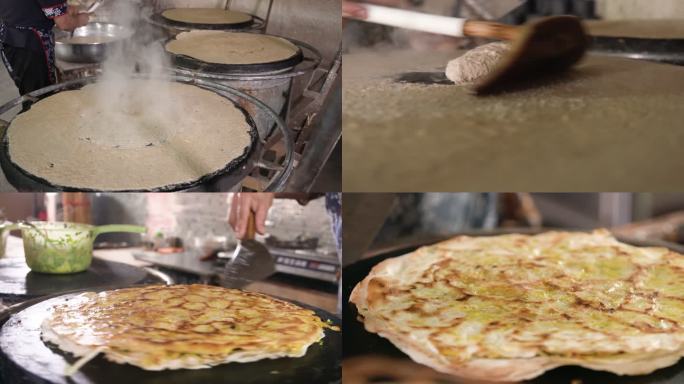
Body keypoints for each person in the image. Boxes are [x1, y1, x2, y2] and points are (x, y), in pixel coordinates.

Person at [0, 0, 89, 95]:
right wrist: (82, 19)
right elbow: (64, 23)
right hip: (31, 44)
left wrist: (64, 8)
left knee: (30, 92)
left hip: (12, 38)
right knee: (40, 96)